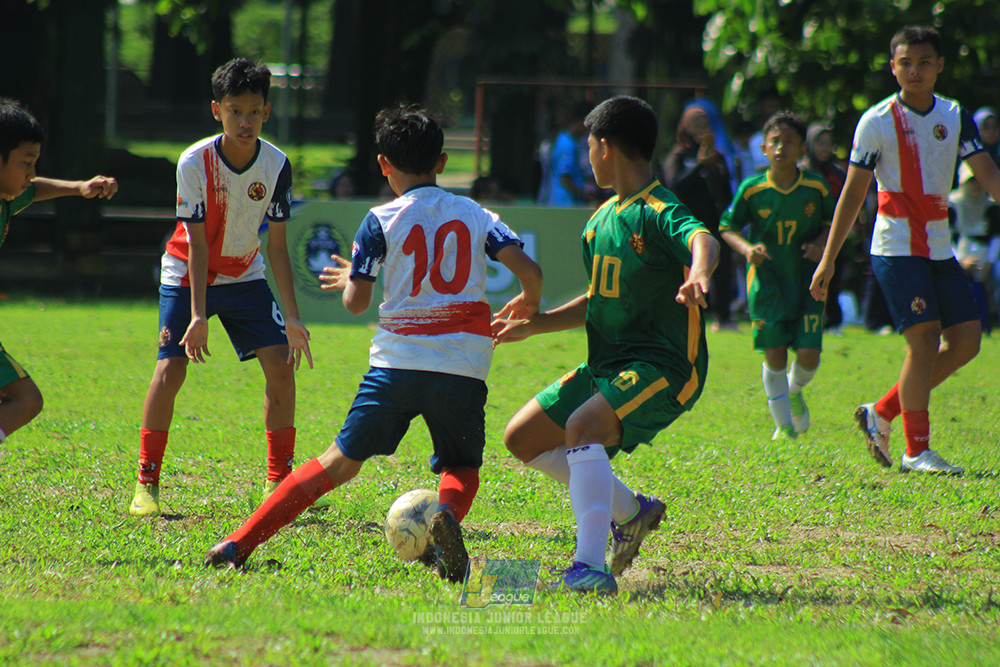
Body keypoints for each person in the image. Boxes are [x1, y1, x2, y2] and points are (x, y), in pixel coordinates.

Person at [205, 104, 543, 583]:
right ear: (442, 163)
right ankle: (446, 513)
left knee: (337, 463)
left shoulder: (379, 219)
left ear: (384, 165)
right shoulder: (478, 215)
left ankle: (239, 542)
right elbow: (531, 272)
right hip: (463, 364)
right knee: (462, 465)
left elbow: (356, 304)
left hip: (397, 364)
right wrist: (528, 303)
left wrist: (352, 277)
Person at [494, 96, 719, 595]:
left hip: (665, 365)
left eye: (588, 147)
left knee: (582, 426)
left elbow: (704, 239)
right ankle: (632, 512)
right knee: (522, 437)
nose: (586, 158)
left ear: (602, 146)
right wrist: (540, 322)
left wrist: (699, 273)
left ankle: (588, 568)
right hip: (608, 364)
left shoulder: (660, 208)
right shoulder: (599, 222)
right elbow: (599, 298)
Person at [811, 26, 1000, 475]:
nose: (914, 70)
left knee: (968, 341)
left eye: (924, 62)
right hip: (895, 246)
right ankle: (917, 451)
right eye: (905, 62)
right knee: (924, 340)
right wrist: (828, 258)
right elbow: (853, 195)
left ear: (939, 66)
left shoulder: (955, 115)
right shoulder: (875, 121)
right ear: (893, 66)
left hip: (938, 245)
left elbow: (988, 175)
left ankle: (881, 411)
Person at [129, 59, 314, 517]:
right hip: (187, 271)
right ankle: (146, 484)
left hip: (245, 274)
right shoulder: (194, 162)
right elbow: (195, 243)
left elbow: (276, 246)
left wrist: (292, 318)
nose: (245, 121)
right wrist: (197, 315)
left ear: (267, 112)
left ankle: (280, 481)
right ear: (217, 110)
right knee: (170, 371)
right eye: (235, 110)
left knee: (281, 366)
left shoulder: (276, 165)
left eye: (254, 111)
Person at [0, 99, 117, 444]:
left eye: (34, 163)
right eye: (25, 163)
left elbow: (34, 190)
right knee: (25, 399)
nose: (31, 173)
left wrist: (78, 187)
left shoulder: (7, 198)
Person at [720, 111, 835, 439]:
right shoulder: (752, 188)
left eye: (789, 142)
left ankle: (794, 390)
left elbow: (835, 223)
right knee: (775, 355)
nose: (781, 147)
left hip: (808, 283)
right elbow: (727, 227)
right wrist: (746, 249)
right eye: (775, 142)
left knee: (809, 357)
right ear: (763, 148)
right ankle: (784, 427)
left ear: (802, 150)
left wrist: (819, 243)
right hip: (767, 284)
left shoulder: (815, 186)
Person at [664, 104, 736, 332]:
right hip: (687, 225)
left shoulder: (719, 158)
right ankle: (686, 316)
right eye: (696, 124)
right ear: (685, 126)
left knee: (722, 269)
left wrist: (712, 165)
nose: (701, 128)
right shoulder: (679, 155)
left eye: (705, 124)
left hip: (715, 223)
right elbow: (674, 185)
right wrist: (699, 167)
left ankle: (723, 318)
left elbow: (725, 191)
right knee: (687, 270)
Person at [801, 123, 851, 332]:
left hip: (833, 233)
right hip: (805, 233)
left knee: (833, 277)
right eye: (820, 143)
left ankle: (832, 319)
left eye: (828, 144)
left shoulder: (837, 174)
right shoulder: (801, 171)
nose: (824, 148)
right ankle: (805, 318)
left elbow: (847, 201)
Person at [949, 162, 1000, 333]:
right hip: (958, 253)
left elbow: (995, 238)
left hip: (987, 256)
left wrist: (990, 264)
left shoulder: (992, 206)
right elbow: (946, 239)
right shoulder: (951, 204)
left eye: (979, 180)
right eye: (972, 181)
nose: (976, 185)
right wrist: (960, 262)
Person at [539, 101, 594, 207]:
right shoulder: (567, 144)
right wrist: (587, 197)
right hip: (564, 204)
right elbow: (565, 179)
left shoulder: (568, 140)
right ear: (582, 121)